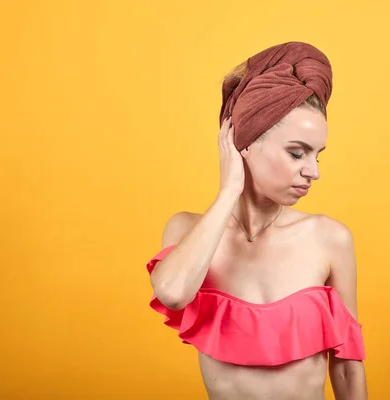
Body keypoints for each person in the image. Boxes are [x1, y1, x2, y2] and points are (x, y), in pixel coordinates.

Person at [145, 41, 367, 400]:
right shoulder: (187, 230)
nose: (313, 172)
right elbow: (171, 292)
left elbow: (347, 366)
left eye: (317, 156)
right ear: (243, 143)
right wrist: (230, 189)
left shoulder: (329, 238)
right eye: (297, 153)